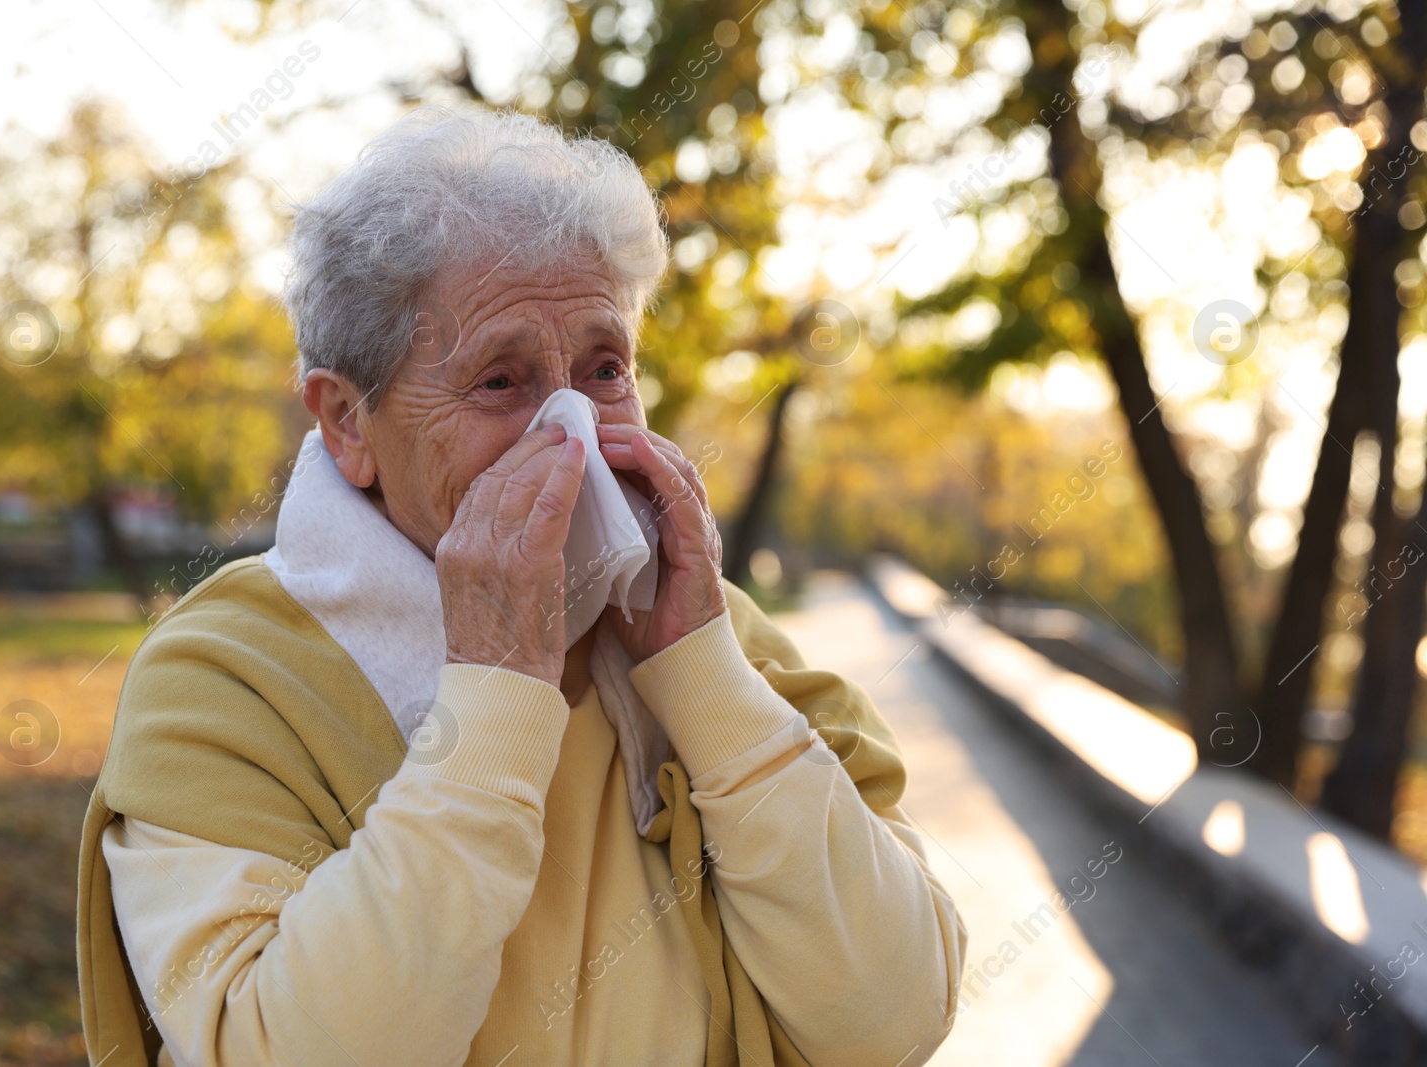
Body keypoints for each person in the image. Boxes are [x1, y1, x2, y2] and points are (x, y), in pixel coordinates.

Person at [76, 105, 965, 1067]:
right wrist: (495, 692)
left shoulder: (716, 637)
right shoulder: (221, 679)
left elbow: (894, 1019)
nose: (570, 432)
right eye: (500, 381)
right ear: (347, 424)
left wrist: (706, 680)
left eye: (605, 368)